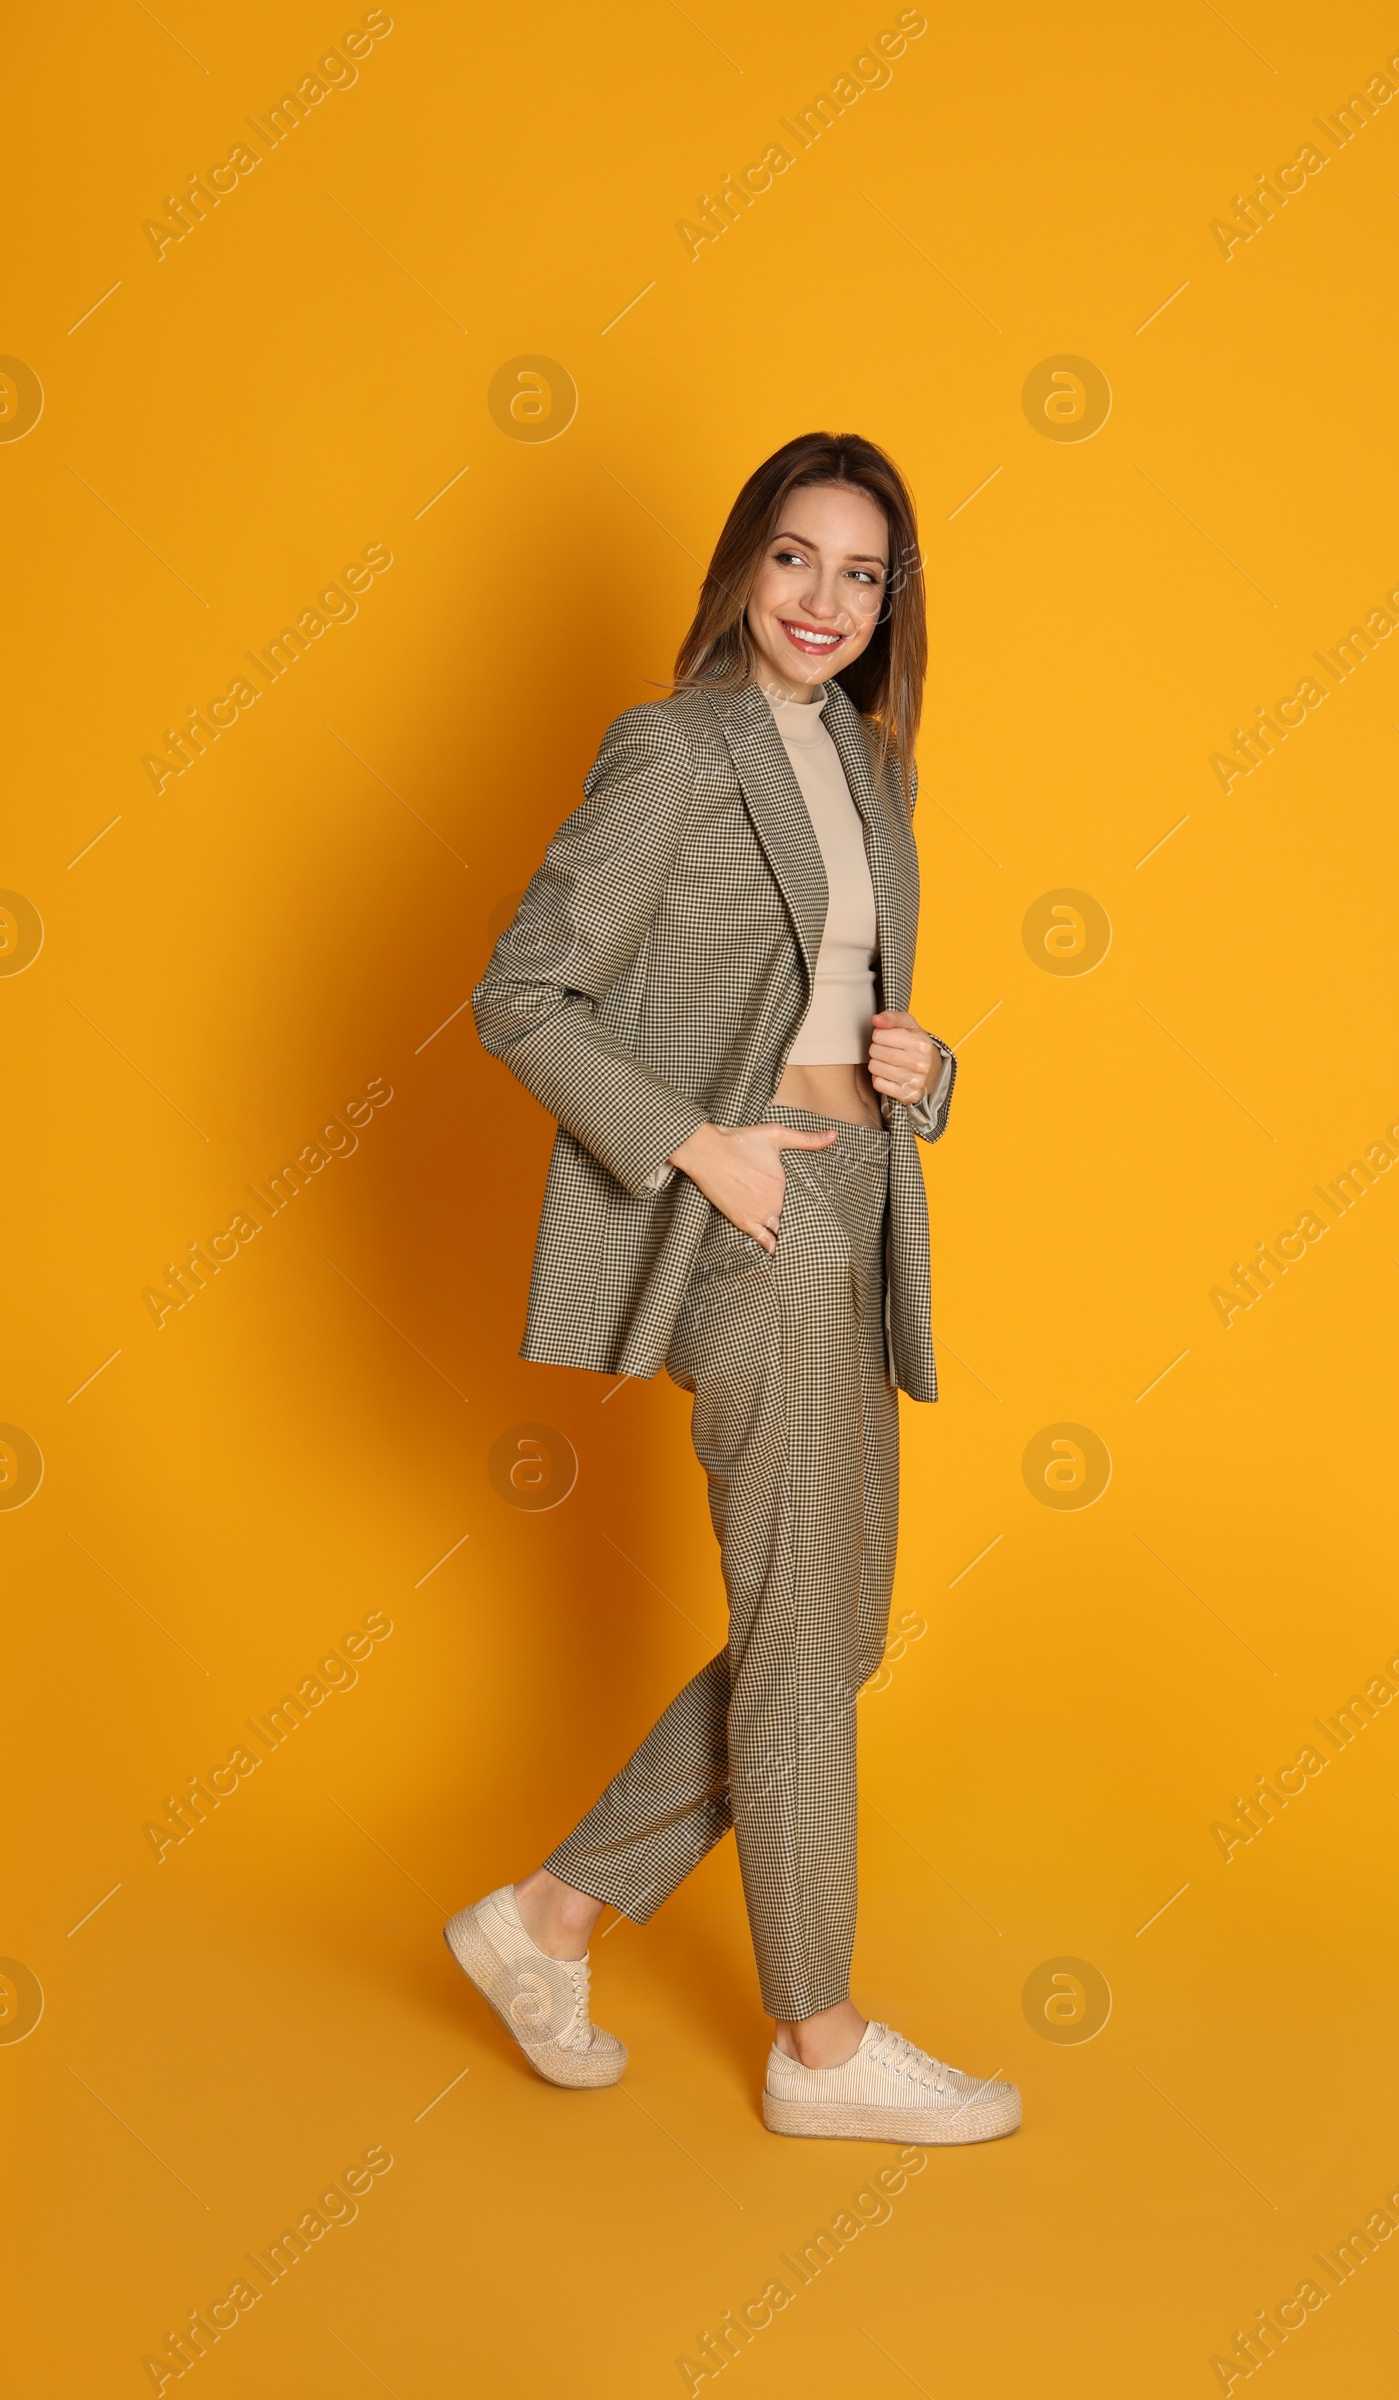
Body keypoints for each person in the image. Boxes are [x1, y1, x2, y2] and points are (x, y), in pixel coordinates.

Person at [447, 432, 1020, 2145]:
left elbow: (842, 1000)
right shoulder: (678, 751)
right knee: (796, 1635)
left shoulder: (873, 767)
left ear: (890, 600)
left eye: (861, 572)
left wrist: (919, 1071)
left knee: (829, 1631)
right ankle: (821, 2046)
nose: (823, 600)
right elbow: (522, 992)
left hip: (858, 1202)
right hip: (750, 1220)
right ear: (741, 570)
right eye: (794, 558)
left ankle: (549, 1922)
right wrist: (704, 1148)